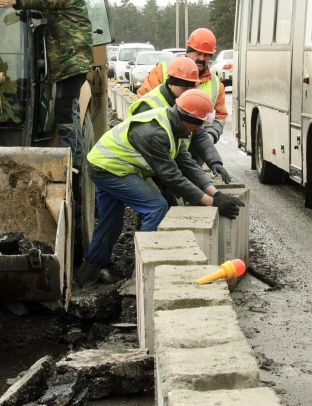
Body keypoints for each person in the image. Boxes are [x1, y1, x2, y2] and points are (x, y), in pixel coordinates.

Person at [77, 89, 245, 287]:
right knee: (156, 206)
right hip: (109, 169)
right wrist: (211, 203)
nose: (199, 130)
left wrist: (215, 193)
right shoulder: (155, 133)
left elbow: (187, 164)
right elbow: (172, 177)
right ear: (187, 118)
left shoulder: (174, 126)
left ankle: (88, 275)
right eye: (199, 124)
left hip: (106, 164)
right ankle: (140, 276)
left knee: (111, 221)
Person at [0, 0, 93, 174]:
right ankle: (72, 159)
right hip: (66, 60)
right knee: (64, 109)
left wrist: (14, 0)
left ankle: (73, 164)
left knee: (66, 110)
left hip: (72, 60)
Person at [128, 57, 231, 203]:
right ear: (171, 83)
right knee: (158, 208)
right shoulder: (149, 105)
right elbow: (156, 157)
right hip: (145, 166)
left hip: (168, 162)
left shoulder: (183, 103)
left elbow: (198, 134)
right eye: (184, 89)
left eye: (191, 88)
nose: (187, 93)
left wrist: (214, 161)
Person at [136, 28, 227, 147]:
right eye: (198, 53)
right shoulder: (163, 71)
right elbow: (143, 104)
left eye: (206, 55)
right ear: (188, 52)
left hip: (194, 151)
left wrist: (210, 136)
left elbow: (219, 117)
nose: (201, 58)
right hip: (161, 145)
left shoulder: (216, 85)